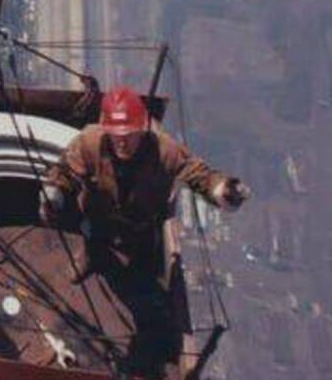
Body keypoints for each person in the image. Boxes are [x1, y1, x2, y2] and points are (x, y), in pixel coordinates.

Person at [41, 85, 248, 279]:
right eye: (116, 134)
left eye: (129, 134)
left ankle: (136, 278)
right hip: (99, 214)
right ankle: (90, 259)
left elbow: (198, 174)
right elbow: (65, 170)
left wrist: (222, 189)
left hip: (141, 220)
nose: (122, 142)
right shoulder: (89, 142)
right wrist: (54, 193)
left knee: (141, 256)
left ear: (142, 128)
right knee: (94, 240)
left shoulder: (164, 150)